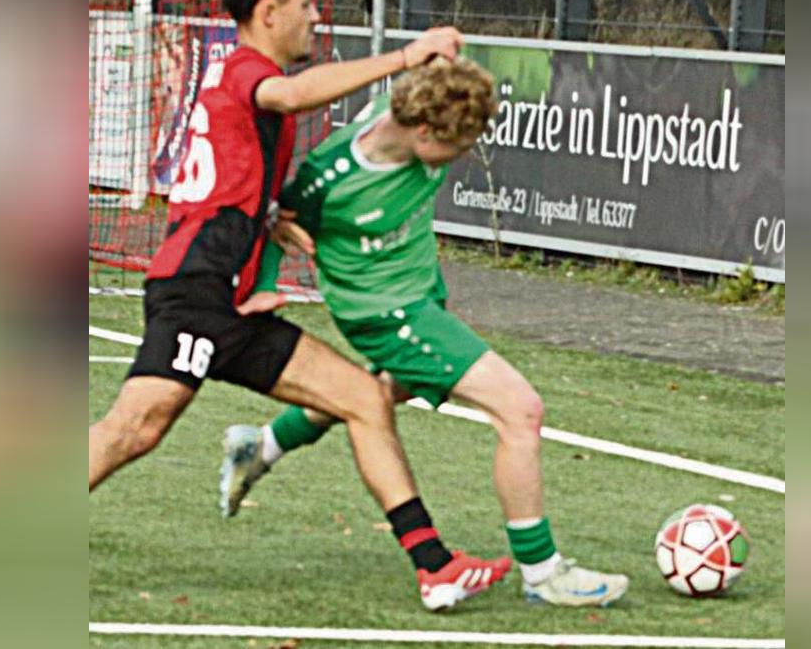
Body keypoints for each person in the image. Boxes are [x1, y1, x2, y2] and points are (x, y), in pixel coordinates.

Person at [89, 0, 511, 612]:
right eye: (308, 3)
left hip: (230, 301)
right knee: (134, 430)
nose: (316, 16)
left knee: (363, 399)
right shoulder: (248, 73)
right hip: (196, 294)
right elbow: (286, 97)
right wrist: (406, 56)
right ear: (267, 10)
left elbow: (233, 182)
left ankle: (434, 567)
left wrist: (270, 224)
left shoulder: (244, 80)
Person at [219, 56, 630, 608]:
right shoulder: (332, 174)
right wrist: (266, 282)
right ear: (421, 131)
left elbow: (443, 79)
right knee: (520, 409)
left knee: (382, 391)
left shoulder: (417, 118)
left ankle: (261, 444)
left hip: (421, 298)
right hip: (385, 313)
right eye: (456, 145)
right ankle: (543, 571)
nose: (463, 155)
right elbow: (277, 220)